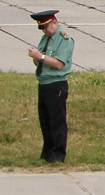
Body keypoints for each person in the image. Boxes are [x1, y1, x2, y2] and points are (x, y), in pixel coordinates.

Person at [28, 10, 74, 163]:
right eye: (42, 28)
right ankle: (47, 152)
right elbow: (40, 60)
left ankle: (58, 154)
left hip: (56, 84)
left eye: (47, 26)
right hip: (44, 83)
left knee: (56, 121)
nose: (45, 30)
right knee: (45, 120)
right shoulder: (45, 39)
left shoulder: (64, 40)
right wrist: (37, 57)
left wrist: (40, 56)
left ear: (54, 22)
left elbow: (58, 64)